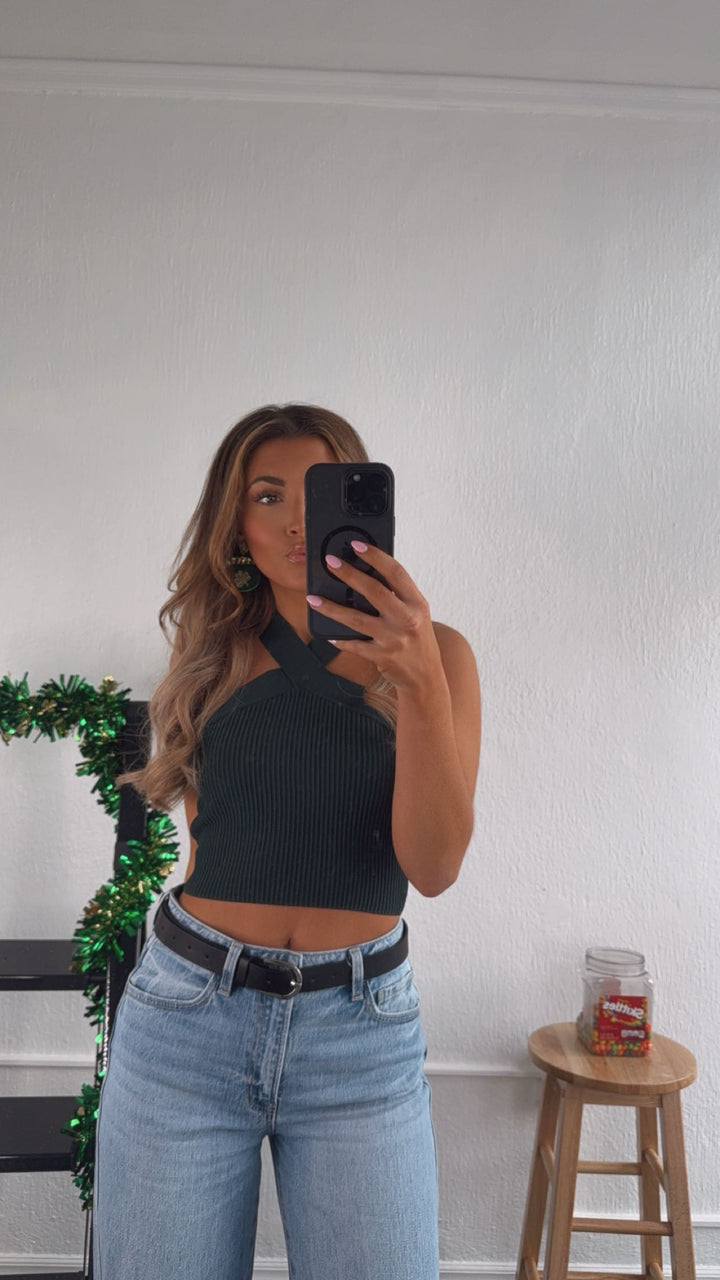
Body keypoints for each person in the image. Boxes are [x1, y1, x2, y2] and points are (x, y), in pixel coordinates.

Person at [93, 403, 481, 1280]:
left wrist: (419, 683)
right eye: (268, 496)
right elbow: (215, 847)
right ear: (236, 523)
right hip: (188, 1020)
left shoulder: (442, 656)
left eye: (319, 491)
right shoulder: (211, 652)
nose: (298, 520)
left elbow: (434, 867)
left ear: (363, 503)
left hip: (361, 1037)